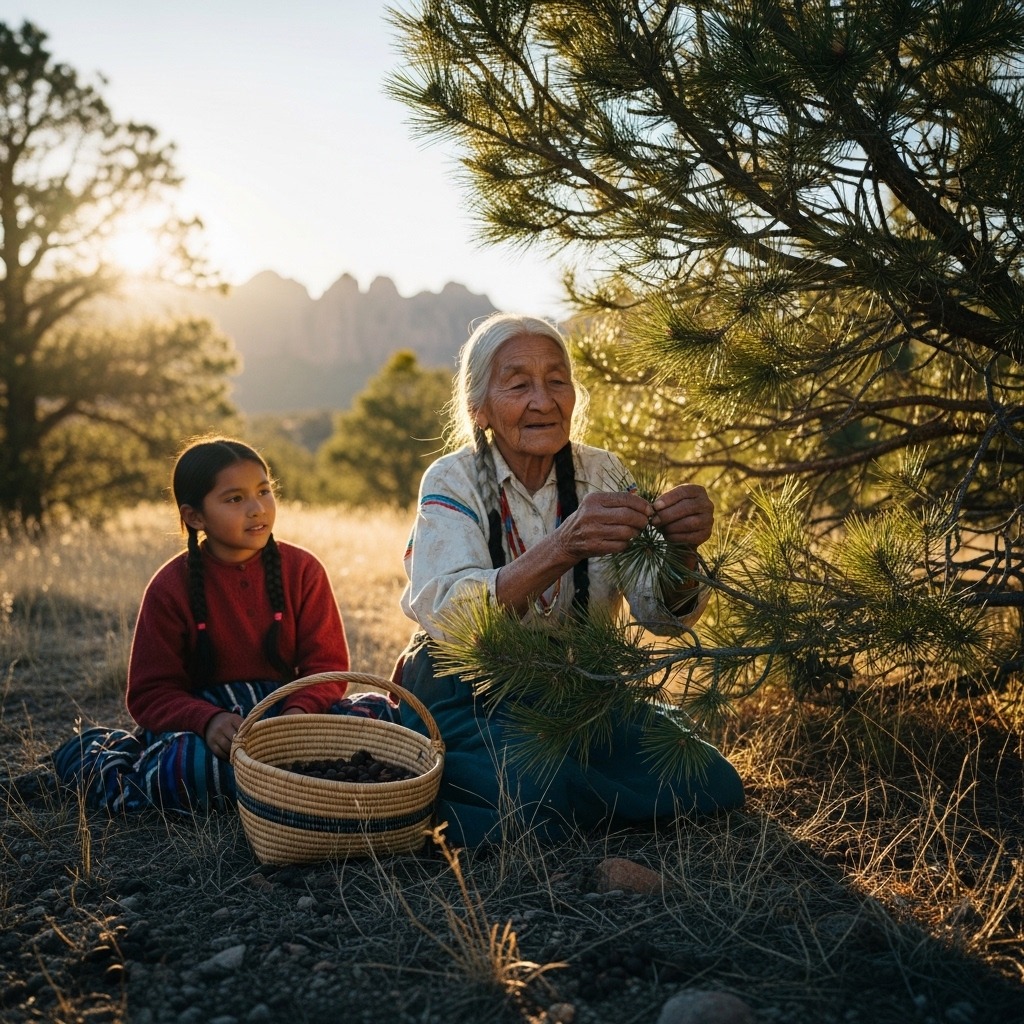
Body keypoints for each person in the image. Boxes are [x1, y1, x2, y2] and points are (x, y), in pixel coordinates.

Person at [393, 312, 745, 847]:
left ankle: (564, 794)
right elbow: (454, 619)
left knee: (711, 779)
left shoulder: (604, 473)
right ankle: (529, 794)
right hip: (469, 688)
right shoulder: (452, 479)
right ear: (479, 408)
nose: (544, 400)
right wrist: (562, 546)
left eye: (557, 380)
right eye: (519, 385)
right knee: (532, 788)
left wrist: (683, 549)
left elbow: (660, 615)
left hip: (578, 688)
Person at [51, 436, 395, 813]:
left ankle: (274, 783)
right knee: (190, 767)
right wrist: (208, 720)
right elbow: (150, 693)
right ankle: (283, 787)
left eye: (264, 491)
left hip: (290, 716)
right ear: (195, 517)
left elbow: (326, 668)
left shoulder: (303, 571)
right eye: (234, 499)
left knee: (381, 716)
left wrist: (297, 716)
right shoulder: (170, 586)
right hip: (210, 732)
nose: (257, 508)